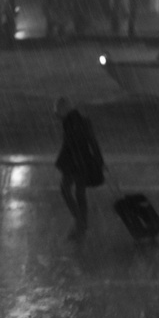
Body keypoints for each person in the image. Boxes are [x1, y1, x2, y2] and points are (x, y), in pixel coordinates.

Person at [54, 96, 104, 239]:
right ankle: (82, 222)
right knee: (79, 193)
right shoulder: (84, 121)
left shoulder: (69, 123)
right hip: (84, 161)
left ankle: (79, 221)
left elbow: (69, 145)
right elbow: (92, 142)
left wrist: (64, 161)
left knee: (65, 190)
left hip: (73, 163)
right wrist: (98, 159)